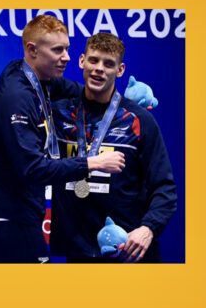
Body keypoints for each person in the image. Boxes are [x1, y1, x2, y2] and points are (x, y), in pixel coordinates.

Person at [0, 15, 126, 263]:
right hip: (6, 224)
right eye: (58, 50)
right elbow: (33, 168)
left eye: (68, 48)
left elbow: (82, 92)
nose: (67, 57)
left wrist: (126, 102)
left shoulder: (35, 78)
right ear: (32, 50)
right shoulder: (18, 96)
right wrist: (93, 163)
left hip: (15, 219)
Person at [49, 32, 177, 263]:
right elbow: (12, 135)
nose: (99, 69)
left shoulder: (138, 119)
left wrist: (148, 229)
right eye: (94, 60)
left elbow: (165, 188)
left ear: (120, 70)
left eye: (108, 64)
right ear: (81, 61)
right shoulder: (59, 114)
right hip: (79, 251)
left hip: (128, 250)